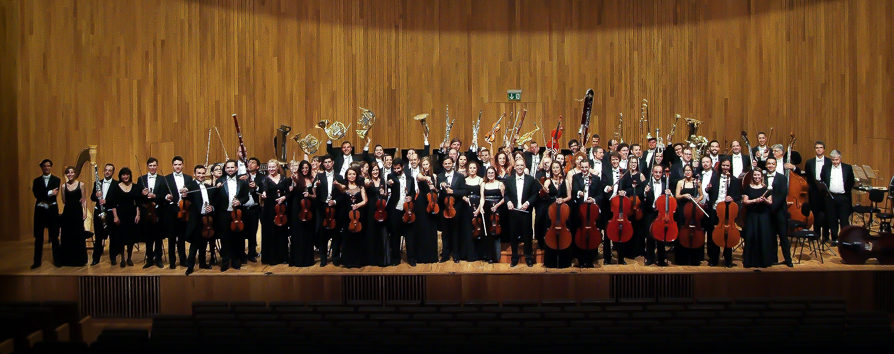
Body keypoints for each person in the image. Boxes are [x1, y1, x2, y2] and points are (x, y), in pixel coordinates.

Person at [183, 165, 218, 275]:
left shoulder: (208, 186)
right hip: (196, 220)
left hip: (207, 219)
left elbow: (213, 201)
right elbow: (186, 196)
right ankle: (190, 266)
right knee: (194, 245)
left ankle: (203, 263)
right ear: (194, 174)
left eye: (203, 173)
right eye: (199, 173)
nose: (201, 175)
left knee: (204, 243)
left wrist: (211, 207)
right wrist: (184, 193)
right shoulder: (191, 186)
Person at [705, 158, 741, 267]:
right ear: (721, 166)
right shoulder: (715, 177)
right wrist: (708, 189)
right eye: (723, 165)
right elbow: (709, 191)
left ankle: (728, 258)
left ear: (730, 167)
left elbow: (738, 196)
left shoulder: (734, 180)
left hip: (727, 210)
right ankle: (713, 258)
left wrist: (732, 198)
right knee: (713, 234)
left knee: (728, 234)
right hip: (715, 209)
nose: (725, 168)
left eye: (727, 166)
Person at [503, 159, 538, 267]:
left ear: (524, 166)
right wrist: (508, 201)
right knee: (513, 235)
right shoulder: (509, 180)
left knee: (527, 235)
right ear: (514, 167)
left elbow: (535, 195)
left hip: (525, 212)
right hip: (513, 212)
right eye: (517, 165)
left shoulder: (531, 179)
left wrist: (528, 202)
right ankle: (514, 257)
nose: (519, 167)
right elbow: (506, 194)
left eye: (521, 165)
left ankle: (528, 257)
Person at [571, 159, 604, 267]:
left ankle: (590, 259)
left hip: (592, 212)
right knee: (580, 234)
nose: (584, 169)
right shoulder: (576, 177)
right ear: (580, 167)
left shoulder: (596, 179)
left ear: (590, 167)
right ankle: (580, 259)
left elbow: (600, 195)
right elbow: (574, 190)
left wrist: (593, 199)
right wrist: (580, 193)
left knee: (592, 235)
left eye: (586, 167)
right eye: (582, 167)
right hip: (580, 210)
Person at [217, 160, 249, 271]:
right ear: (225, 169)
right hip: (224, 213)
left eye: (232, 167)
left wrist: (240, 202)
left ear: (236, 168)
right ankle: (225, 261)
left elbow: (246, 197)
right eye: (228, 167)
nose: (230, 169)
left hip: (237, 214)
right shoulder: (219, 181)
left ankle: (236, 261)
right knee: (225, 238)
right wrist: (216, 188)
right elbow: (215, 198)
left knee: (237, 238)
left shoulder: (242, 182)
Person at [107, 167, 142, 268]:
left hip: (132, 214)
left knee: (130, 238)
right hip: (120, 214)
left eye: (127, 174)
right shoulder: (116, 187)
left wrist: (138, 214)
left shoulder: (135, 186)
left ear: (130, 175)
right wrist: (115, 217)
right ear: (120, 176)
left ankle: (129, 258)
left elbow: (137, 203)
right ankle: (122, 258)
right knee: (121, 238)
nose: (125, 176)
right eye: (123, 175)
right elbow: (112, 204)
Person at [540, 161, 572, 268]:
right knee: (550, 233)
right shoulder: (548, 181)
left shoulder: (566, 181)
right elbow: (543, 192)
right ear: (551, 169)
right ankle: (550, 262)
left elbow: (569, 196)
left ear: (561, 168)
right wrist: (545, 190)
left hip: (563, 211)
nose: (555, 169)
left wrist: (562, 200)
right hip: (551, 212)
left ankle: (564, 262)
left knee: (565, 233)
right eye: (553, 168)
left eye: (557, 167)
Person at [315, 155, 345, 266]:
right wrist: (316, 187)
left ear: (333, 163)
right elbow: (314, 194)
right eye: (325, 162)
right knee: (323, 236)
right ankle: (323, 259)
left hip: (336, 209)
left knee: (336, 235)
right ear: (323, 164)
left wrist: (335, 202)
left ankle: (336, 258)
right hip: (323, 209)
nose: (327, 164)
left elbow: (343, 195)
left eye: (329, 162)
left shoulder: (340, 177)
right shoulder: (319, 176)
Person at [163, 156, 193, 269]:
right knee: (171, 238)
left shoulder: (189, 178)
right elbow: (163, 193)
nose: (177, 166)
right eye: (175, 164)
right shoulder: (166, 178)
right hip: (171, 211)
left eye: (179, 164)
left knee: (181, 237)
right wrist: (167, 196)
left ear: (183, 165)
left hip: (184, 210)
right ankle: (172, 261)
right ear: (172, 166)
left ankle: (183, 259)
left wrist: (187, 194)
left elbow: (192, 194)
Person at [742, 169, 775, 268]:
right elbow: (745, 201)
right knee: (751, 237)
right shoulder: (748, 187)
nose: (757, 177)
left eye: (758, 175)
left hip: (763, 216)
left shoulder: (767, 189)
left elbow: (771, 202)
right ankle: (750, 261)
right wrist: (755, 200)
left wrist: (764, 200)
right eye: (755, 175)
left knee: (763, 237)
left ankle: (763, 261)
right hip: (752, 215)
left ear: (761, 176)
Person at [259, 160, 290, 265]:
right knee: (271, 233)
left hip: (281, 209)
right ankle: (271, 258)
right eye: (269, 167)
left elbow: (288, 193)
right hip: (269, 209)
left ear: (277, 167)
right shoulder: (265, 179)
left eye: (273, 167)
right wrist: (263, 194)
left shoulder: (284, 179)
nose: (271, 169)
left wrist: (284, 197)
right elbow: (264, 190)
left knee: (282, 232)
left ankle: (283, 257)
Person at [820, 150, 854, 246]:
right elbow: (823, 179)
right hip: (831, 197)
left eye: (837, 160)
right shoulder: (826, 167)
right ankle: (834, 238)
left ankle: (845, 239)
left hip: (843, 197)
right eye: (833, 160)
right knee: (832, 219)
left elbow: (851, 181)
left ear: (840, 158)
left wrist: (846, 192)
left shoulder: (847, 168)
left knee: (844, 219)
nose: (835, 162)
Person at [137, 158, 167, 268]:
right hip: (146, 212)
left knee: (158, 237)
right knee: (148, 237)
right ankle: (149, 259)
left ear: (157, 166)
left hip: (158, 212)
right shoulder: (141, 179)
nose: (153, 167)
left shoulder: (162, 179)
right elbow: (138, 197)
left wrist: (155, 196)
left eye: (154, 165)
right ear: (147, 166)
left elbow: (164, 195)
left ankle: (158, 259)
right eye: (150, 165)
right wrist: (142, 193)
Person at [32, 159, 61, 269]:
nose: (47, 168)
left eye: (49, 166)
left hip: (52, 212)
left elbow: (54, 195)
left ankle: (57, 260)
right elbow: (37, 194)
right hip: (40, 212)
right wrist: (49, 192)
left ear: (51, 167)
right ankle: (37, 262)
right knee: (38, 238)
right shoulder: (36, 181)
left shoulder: (56, 180)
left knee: (54, 237)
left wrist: (46, 194)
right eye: (45, 166)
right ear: (42, 167)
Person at [437, 157, 467, 263]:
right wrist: (441, 186)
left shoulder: (460, 176)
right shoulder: (440, 176)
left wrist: (452, 191)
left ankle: (456, 255)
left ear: (453, 164)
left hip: (456, 208)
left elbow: (463, 191)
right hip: (444, 208)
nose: (447, 165)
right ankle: (445, 255)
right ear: (443, 165)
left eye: (449, 163)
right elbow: (438, 193)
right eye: (445, 163)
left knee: (455, 232)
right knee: (445, 233)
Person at [386, 159, 416, 266]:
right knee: (395, 234)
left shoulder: (410, 178)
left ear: (402, 167)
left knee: (409, 234)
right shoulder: (391, 176)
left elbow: (412, 192)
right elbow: (389, 184)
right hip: (395, 210)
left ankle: (411, 258)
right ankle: (395, 258)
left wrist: (411, 197)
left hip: (407, 209)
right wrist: (389, 183)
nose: (396, 170)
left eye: (398, 168)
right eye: (394, 168)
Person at [674, 164, 705, 266]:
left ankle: (694, 259)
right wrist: (683, 195)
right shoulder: (680, 182)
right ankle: (682, 259)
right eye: (686, 170)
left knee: (695, 232)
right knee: (682, 232)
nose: (687, 172)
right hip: (683, 210)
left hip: (694, 210)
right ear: (683, 172)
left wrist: (697, 199)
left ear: (692, 171)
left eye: (689, 170)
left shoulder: (697, 182)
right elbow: (677, 196)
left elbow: (701, 195)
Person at [618, 156, 647, 262]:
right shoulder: (625, 175)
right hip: (628, 206)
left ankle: (638, 250)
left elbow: (642, 190)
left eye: (635, 162)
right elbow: (622, 189)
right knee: (628, 228)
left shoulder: (641, 175)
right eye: (631, 162)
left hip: (638, 205)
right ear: (628, 163)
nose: (633, 164)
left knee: (638, 229)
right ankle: (628, 251)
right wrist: (627, 191)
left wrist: (634, 189)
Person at [765, 157, 793, 267]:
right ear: (766, 165)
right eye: (769, 164)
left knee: (783, 237)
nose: (771, 165)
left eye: (773, 163)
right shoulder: (762, 177)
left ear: (776, 165)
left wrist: (773, 205)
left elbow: (782, 195)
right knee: (770, 237)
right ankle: (773, 259)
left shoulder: (782, 178)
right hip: (767, 212)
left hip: (779, 212)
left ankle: (788, 260)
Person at [288, 160, 316, 267]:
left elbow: (315, 196)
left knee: (308, 234)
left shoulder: (312, 179)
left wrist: (308, 195)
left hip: (308, 209)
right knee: (297, 234)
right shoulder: (296, 178)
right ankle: (297, 259)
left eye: (307, 168)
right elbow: (291, 191)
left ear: (309, 169)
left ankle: (307, 259)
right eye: (303, 168)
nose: (304, 170)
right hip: (297, 209)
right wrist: (293, 185)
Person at [58, 166, 87, 267]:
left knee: (77, 234)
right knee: (67, 235)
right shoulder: (63, 186)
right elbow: (64, 201)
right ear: (66, 174)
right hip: (68, 212)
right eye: (68, 173)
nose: (70, 174)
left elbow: (83, 199)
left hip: (77, 212)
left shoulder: (81, 184)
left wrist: (85, 212)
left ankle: (79, 260)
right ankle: (67, 260)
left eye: (72, 172)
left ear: (75, 173)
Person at [340, 167, 368, 268]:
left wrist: (357, 205)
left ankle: (358, 261)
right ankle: (348, 261)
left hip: (359, 215)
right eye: (349, 174)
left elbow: (365, 201)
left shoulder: (361, 187)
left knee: (358, 238)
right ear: (346, 176)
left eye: (353, 174)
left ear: (356, 175)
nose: (351, 176)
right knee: (348, 238)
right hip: (347, 216)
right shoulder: (344, 188)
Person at [644, 165, 672, 266]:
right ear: (652, 172)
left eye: (660, 172)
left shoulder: (665, 185)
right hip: (649, 213)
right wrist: (645, 193)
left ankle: (661, 259)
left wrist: (669, 194)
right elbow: (641, 197)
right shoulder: (647, 183)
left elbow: (670, 201)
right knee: (650, 236)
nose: (658, 174)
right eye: (656, 172)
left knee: (661, 236)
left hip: (660, 213)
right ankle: (650, 258)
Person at [413, 157, 439, 263]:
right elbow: (420, 177)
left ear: (430, 165)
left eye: (427, 164)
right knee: (422, 228)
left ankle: (432, 256)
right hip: (421, 203)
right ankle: (421, 256)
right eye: (423, 164)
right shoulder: (419, 175)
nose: (425, 166)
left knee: (431, 229)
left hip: (431, 203)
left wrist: (434, 188)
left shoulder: (435, 176)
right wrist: (426, 178)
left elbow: (437, 190)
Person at [90, 163, 116, 265]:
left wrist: (106, 201)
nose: (107, 172)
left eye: (110, 170)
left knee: (112, 236)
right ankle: (95, 258)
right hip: (98, 212)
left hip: (109, 212)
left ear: (113, 172)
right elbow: (92, 197)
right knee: (98, 236)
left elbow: (116, 200)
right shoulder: (97, 183)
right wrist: (96, 195)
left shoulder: (116, 184)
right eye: (106, 170)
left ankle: (112, 257)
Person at [805, 141, 830, 242]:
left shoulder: (829, 161)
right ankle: (816, 234)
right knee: (815, 213)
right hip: (814, 191)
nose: (818, 149)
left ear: (824, 149)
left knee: (826, 213)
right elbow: (808, 177)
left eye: (820, 147)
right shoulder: (809, 162)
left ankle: (825, 236)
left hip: (825, 191)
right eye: (816, 148)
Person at [366, 164, 389, 266]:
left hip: (381, 209)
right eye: (373, 170)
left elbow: (385, 195)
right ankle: (372, 259)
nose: (375, 172)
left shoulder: (383, 180)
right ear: (370, 171)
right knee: (372, 233)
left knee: (382, 234)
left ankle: (382, 259)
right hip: (371, 209)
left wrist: (383, 194)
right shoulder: (368, 182)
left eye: (376, 170)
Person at [480, 166, 505, 263]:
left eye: (492, 173)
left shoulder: (500, 184)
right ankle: (487, 255)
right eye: (489, 173)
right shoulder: (483, 184)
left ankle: (495, 256)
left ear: (495, 174)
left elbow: (504, 198)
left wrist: (497, 206)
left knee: (496, 233)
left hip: (496, 209)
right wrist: (481, 207)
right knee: (487, 233)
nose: (490, 174)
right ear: (486, 174)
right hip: (486, 208)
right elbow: (482, 198)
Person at [461, 161, 483, 262]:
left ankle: (478, 254)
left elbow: (483, 196)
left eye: (474, 168)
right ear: (467, 169)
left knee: (478, 229)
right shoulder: (464, 180)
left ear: (477, 169)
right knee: (467, 230)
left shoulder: (481, 180)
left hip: (478, 206)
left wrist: (479, 208)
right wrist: (464, 198)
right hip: (466, 207)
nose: (472, 170)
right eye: (470, 168)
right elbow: (461, 193)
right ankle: (469, 254)